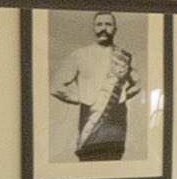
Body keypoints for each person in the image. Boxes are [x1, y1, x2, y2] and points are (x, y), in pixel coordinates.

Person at [49, 12, 141, 164]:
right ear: (93, 28)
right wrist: (82, 99)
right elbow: (55, 87)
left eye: (108, 24)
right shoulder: (79, 55)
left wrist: (120, 97)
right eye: (99, 24)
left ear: (115, 28)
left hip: (116, 119)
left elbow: (137, 85)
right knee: (88, 160)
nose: (103, 28)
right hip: (90, 117)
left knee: (115, 161)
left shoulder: (125, 56)